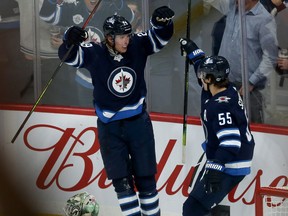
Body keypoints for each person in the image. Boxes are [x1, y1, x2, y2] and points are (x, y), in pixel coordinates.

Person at [58, 6, 174, 216]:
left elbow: (160, 38)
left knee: (146, 179)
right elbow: (69, 57)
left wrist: (162, 23)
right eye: (121, 37)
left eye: (127, 35)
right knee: (122, 182)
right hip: (110, 128)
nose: (126, 40)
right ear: (109, 38)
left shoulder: (137, 45)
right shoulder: (95, 53)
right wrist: (69, 38)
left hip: (138, 123)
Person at [179, 38, 255, 216]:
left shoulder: (220, 105)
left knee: (193, 209)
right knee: (199, 207)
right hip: (226, 158)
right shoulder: (225, 88)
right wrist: (192, 51)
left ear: (211, 78)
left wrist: (215, 169)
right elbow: (203, 68)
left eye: (203, 75)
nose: (200, 77)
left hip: (231, 162)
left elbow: (231, 143)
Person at [203, 0, 278, 123]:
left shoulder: (265, 20)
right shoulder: (233, 7)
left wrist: (252, 81)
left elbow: (271, 57)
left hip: (247, 91)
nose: (237, 1)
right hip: (223, 84)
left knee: (251, 133)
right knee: (221, 128)